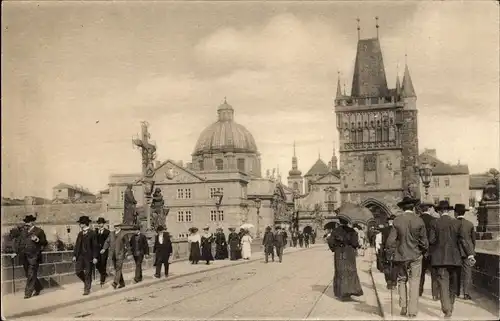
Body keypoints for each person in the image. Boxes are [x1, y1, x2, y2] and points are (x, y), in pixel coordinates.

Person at [429, 200, 475, 318]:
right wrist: (470, 254)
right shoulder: (457, 223)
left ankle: (447, 309)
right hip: (455, 259)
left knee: (443, 284)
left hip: (440, 260)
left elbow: (432, 241)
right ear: (448, 211)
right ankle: (451, 305)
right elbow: (464, 241)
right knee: (453, 285)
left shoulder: (434, 223)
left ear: (439, 211)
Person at [386, 196, 428, 318]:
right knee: (415, 282)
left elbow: (390, 241)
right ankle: (412, 311)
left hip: (401, 255)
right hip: (415, 255)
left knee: (402, 280)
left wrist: (390, 252)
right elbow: (424, 242)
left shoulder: (397, 220)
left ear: (402, 207)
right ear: (413, 207)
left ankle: (403, 306)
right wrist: (422, 250)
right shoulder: (419, 220)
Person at [327, 216, 363, 301]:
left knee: (340, 271)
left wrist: (335, 248)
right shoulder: (352, 231)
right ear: (347, 221)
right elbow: (355, 243)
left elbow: (331, 242)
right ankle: (350, 291)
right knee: (350, 270)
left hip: (339, 253)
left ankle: (341, 292)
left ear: (339, 221)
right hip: (349, 253)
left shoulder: (335, 231)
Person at [15, 214, 48, 299]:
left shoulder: (39, 231)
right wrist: (16, 252)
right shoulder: (23, 232)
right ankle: (38, 287)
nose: (26, 223)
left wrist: (37, 240)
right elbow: (19, 243)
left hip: (34, 256)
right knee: (28, 274)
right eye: (26, 222)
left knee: (31, 273)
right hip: (24, 256)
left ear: (33, 222)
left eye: (28, 222)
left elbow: (45, 242)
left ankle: (28, 293)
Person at [73, 216, 99, 295]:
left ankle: (87, 289)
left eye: (80, 223)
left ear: (84, 224)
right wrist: (74, 255)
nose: (80, 225)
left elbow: (95, 246)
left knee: (88, 272)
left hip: (89, 256)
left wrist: (95, 257)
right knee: (78, 271)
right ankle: (87, 281)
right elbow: (77, 245)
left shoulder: (92, 233)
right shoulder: (80, 234)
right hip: (80, 256)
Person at [454, 203, 476, 300]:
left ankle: (456, 292)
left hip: (455, 252)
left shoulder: (452, 223)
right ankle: (466, 293)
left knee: (456, 272)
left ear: (455, 213)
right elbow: (473, 241)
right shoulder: (470, 224)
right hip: (467, 253)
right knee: (467, 273)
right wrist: (471, 253)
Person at [418, 203, 440, 300]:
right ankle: (435, 294)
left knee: (420, 272)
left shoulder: (417, 220)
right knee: (434, 273)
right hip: (432, 251)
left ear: (421, 210)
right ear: (429, 209)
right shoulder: (435, 220)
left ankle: (419, 291)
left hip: (419, 250)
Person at [102, 224, 130, 289]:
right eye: (115, 226)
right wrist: (104, 248)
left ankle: (115, 283)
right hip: (113, 255)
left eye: (117, 226)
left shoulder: (123, 234)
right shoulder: (111, 234)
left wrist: (129, 253)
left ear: (120, 226)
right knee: (117, 269)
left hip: (120, 254)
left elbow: (127, 244)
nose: (116, 227)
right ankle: (122, 283)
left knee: (118, 268)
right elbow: (107, 241)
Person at [376, 216, 397, 289]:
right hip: (395, 251)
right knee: (395, 267)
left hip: (386, 250)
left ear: (389, 222)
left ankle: (388, 282)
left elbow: (382, 241)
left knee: (387, 267)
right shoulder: (398, 230)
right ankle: (394, 282)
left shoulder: (384, 230)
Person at [95, 217, 110, 286]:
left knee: (103, 264)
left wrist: (104, 248)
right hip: (97, 251)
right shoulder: (95, 231)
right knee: (97, 264)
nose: (99, 224)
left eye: (101, 223)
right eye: (98, 223)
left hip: (104, 251)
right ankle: (103, 274)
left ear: (103, 224)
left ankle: (102, 280)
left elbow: (109, 241)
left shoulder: (107, 232)